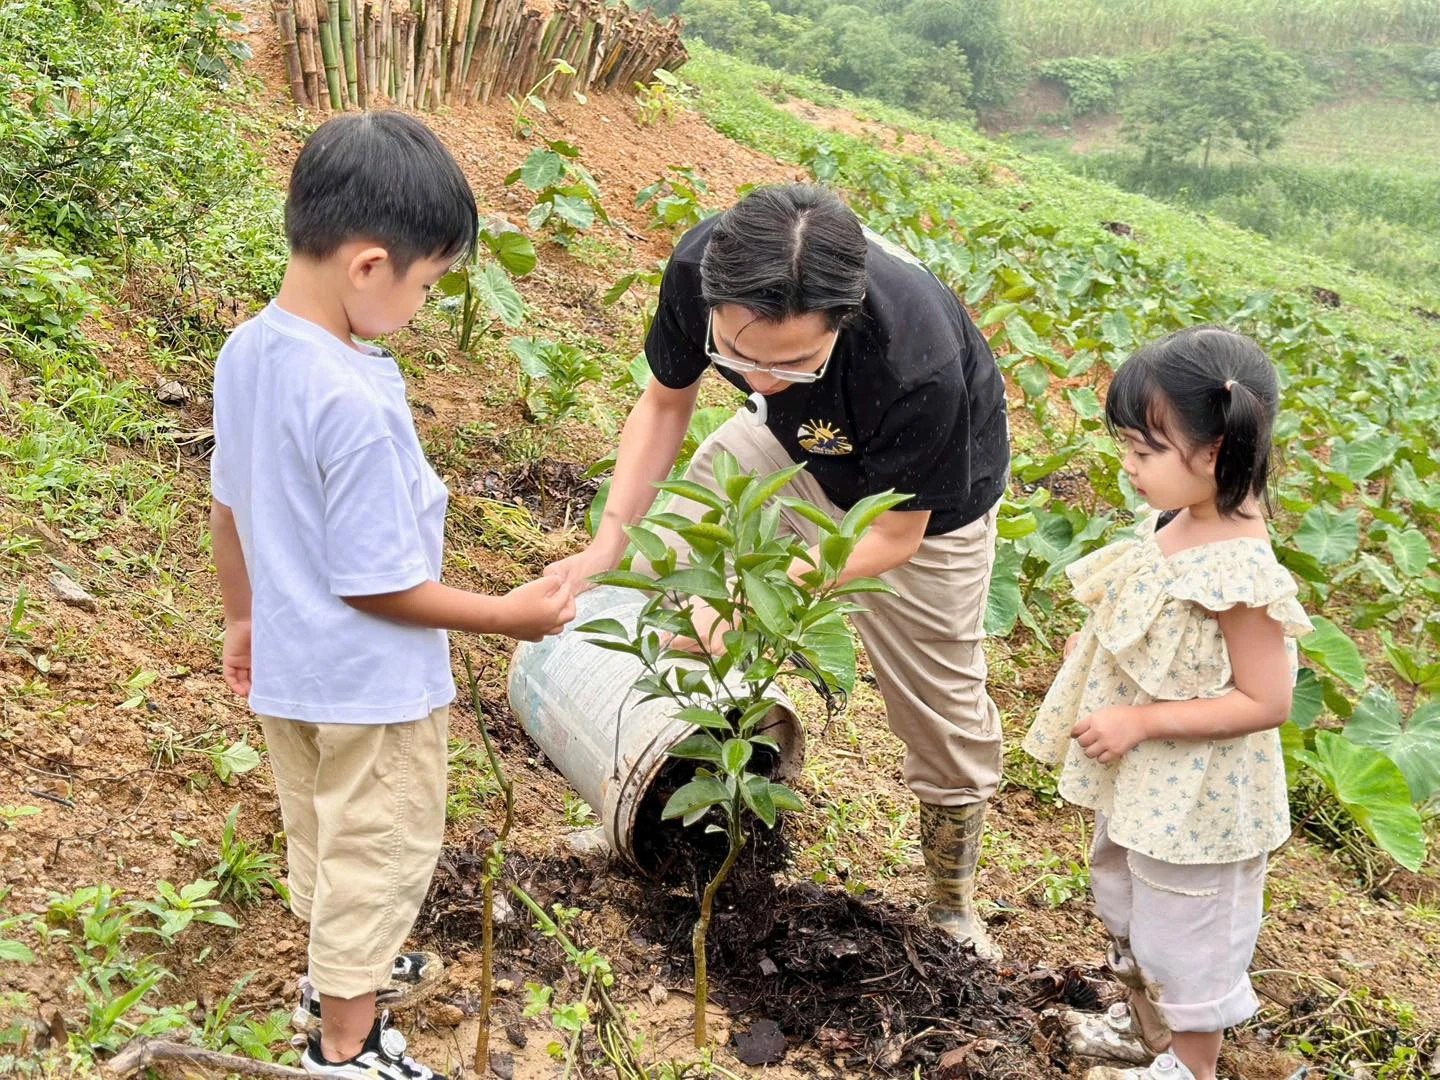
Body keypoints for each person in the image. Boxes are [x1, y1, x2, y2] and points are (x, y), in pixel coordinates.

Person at [545, 183, 1012, 959]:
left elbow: (894, 535)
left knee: (942, 708)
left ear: (844, 318)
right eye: (738, 353)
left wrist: (757, 594)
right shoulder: (701, 268)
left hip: (923, 511)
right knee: (677, 548)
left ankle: (951, 904)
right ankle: (659, 801)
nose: (758, 379)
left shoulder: (915, 358)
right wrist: (609, 545)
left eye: (793, 361)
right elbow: (666, 404)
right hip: (797, 449)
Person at [209, 112, 574, 1080]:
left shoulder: (250, 348)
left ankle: (337, 975)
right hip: (374, 687)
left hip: (291, 666)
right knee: (379, 852)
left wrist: (242, 617)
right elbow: (378, 585)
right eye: (428, 284)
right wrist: (512, 616)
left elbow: (229, 505)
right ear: (370, 266)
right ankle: (348, 1041)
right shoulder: (354, 399)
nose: (423, 302)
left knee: (321, 834)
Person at [1022, 327, 1313, 1080]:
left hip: (1202, 800)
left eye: (1144, 451)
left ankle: (1189, 1067)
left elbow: (1268, 699)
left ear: (1214, 453)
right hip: (1151, 785)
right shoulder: (1176, 521)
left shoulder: (1241, 570)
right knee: (1128, 898)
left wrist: (1141, 719)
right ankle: (1142, 1030)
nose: (1128, 467)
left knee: (1188, 930)